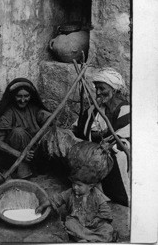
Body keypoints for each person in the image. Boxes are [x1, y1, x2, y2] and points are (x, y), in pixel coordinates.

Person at [73, 67, 130, 207]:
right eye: (96, 88)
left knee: (116, 153)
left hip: (118, 148)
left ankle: (117, 195)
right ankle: (98, 192)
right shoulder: (96, 108)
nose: (98, 92)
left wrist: (109, 143)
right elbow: (79, 127)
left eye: (102, 88)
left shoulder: (126, 109)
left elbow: (126, 135)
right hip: (94, 148)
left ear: (114, 89)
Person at [0, 78, 51, 179]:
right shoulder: (8, 112)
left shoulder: (34, 108)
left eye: (26, 96)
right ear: (13, 96)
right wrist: (21, 154)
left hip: (33, 154)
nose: (23, 100)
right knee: (18, 132)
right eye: (19, 96)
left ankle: (35, 168)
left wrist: (50, 119)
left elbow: (46, 117)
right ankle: (22, 172)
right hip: (13, 155)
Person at [36, 170, 115, 242]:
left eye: (79, 185)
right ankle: (90, 240)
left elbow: (106, 212)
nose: (75, 187)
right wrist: (42, 206)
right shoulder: (69, 193)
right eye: (73, 183)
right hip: (77, 223)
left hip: (94, 225)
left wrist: (97, 220)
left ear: (90, 186)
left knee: (108, 229)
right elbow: (56, 199)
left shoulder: (97, 195)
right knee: (69, 224)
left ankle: (86, 239)